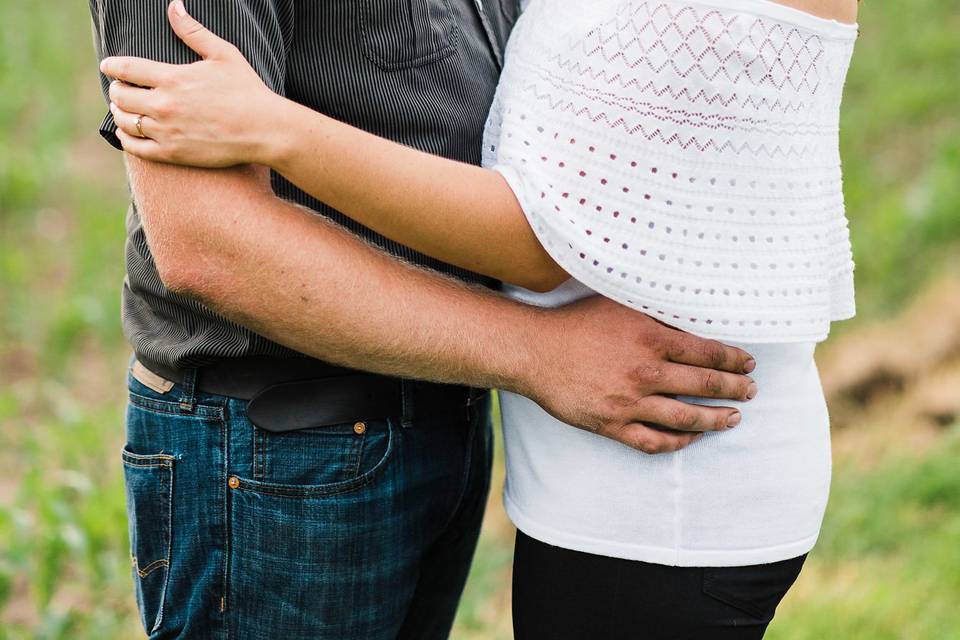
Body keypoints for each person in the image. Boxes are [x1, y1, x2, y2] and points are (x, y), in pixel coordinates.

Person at [103, 0, 861, 636]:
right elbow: (207, 241)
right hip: (283, 442)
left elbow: (561, 220)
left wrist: (280, 128)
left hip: (485, 417)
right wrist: (533, 354)